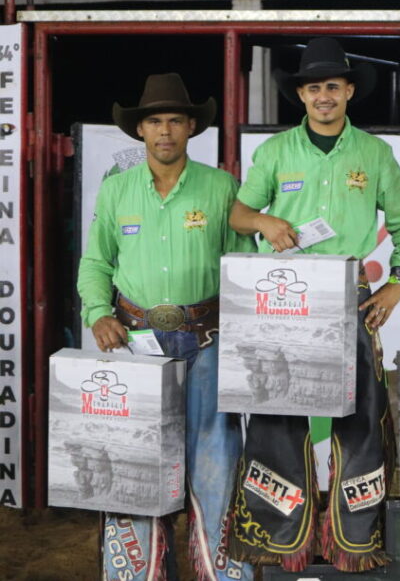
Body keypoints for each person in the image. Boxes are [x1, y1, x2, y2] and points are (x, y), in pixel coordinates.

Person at [229, 37, 400, 571]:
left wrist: (397, 281)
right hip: (286, 300)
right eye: (313, 87)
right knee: (278, 415)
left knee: (360, 417)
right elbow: (240, 217)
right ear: (301, 95)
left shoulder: (374, 154)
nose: (323, 96)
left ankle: (354, 542)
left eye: (332, 87)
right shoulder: (274, 153)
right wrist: (265, 221)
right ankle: (280, 542)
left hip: (350, 297)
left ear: (349, 91)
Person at [77, 73, 254, 581]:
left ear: (192, 126)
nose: (165, 131)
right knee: (134, 467)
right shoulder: (116, 191)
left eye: (175, 120)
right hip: (135, 341)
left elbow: (241, 265)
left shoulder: (222, 188)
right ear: (140, 130)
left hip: (208, 340)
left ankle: (223, 575)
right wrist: (98, 313)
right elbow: (96, 263)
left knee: (216, 466)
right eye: (154, 121)